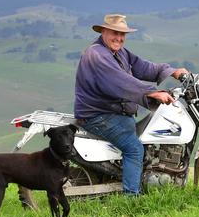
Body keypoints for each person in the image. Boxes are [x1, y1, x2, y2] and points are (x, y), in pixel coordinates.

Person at [74, 14, 188, 195]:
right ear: (103, 31)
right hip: (98, 116)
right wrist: (151, 92)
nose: (119, 38)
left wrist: (171, 71)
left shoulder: (119, 53)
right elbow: (120, 81)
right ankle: (131, 199)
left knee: (146, 141)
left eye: (122, 34)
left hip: (114, 114)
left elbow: (143, 67)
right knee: (134, 149)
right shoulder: (97, 54)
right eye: (115, 33)